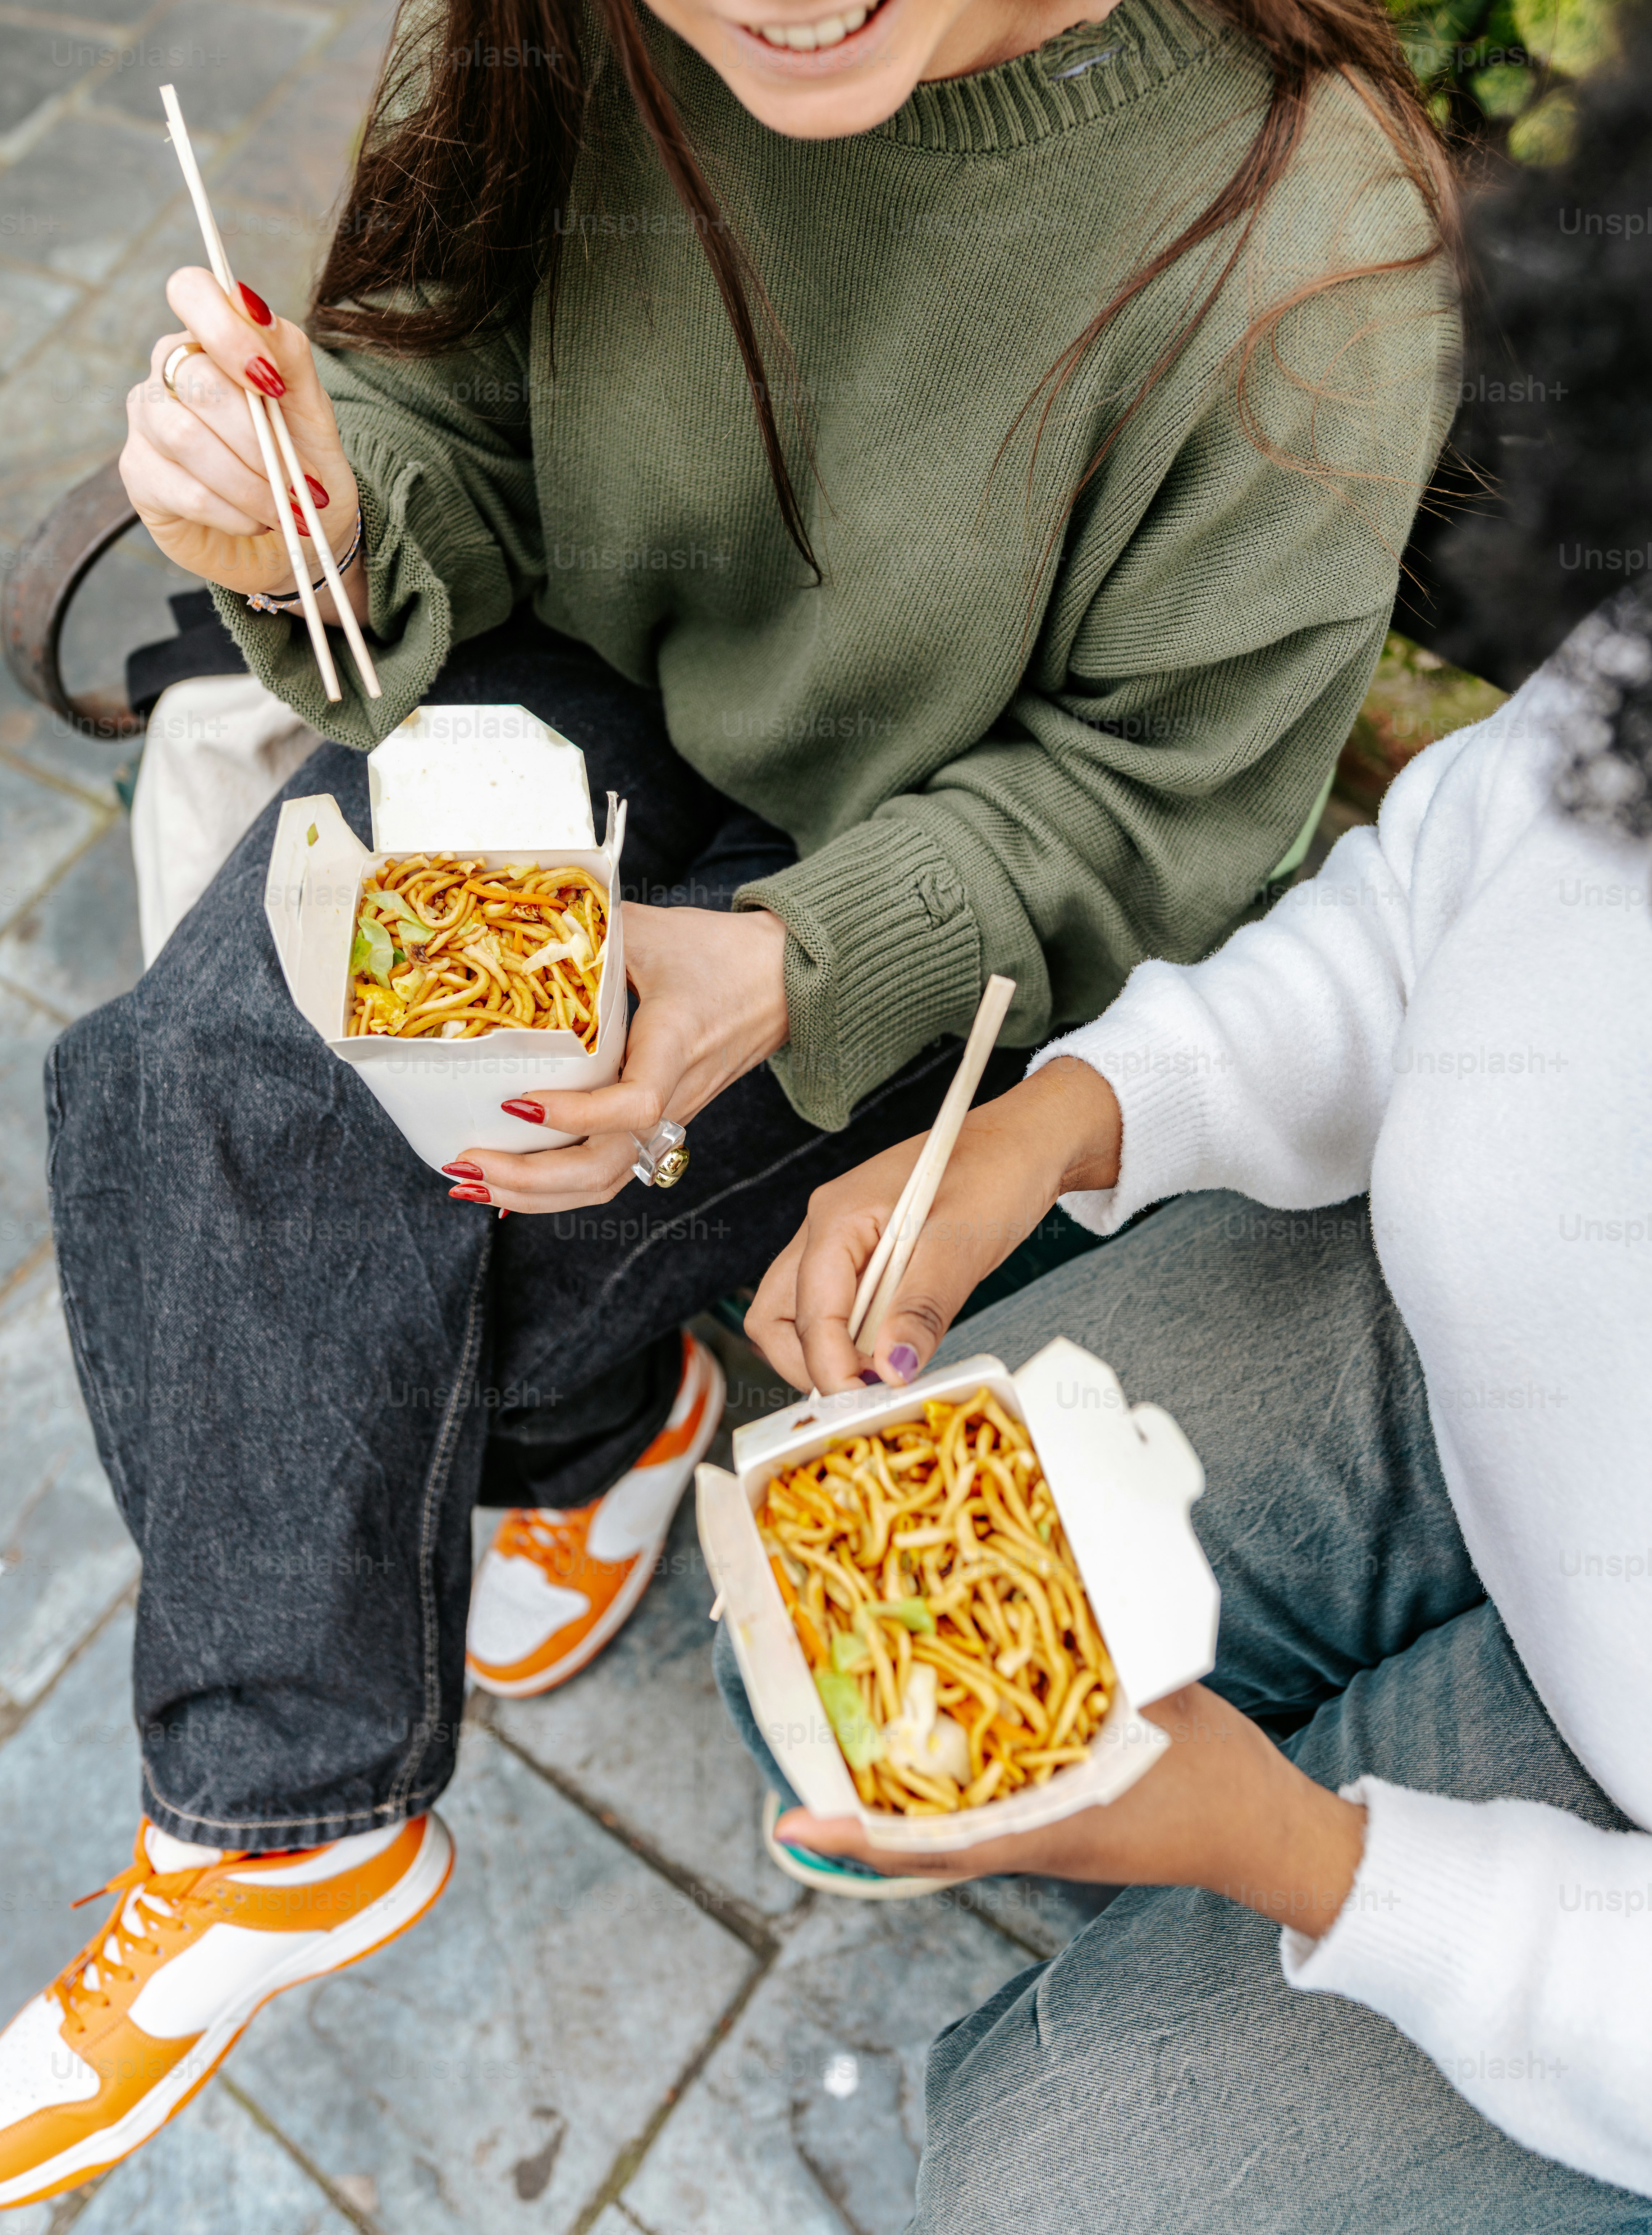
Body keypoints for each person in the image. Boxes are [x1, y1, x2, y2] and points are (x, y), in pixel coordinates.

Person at [0, 0, 1458, 2205]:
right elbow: (453, 416)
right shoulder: (576, 30)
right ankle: (284, 1822)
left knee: (532, 1238)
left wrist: (787, 967)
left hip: (944, 891)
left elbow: (1164, 809)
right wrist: (310, 510)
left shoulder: (1306, 236)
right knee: (212, 1091)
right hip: (585, 702)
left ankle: (600, 1433)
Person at [727, 16, 1652, 2223]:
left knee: (1046, 2179)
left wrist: (1311, 1857)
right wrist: (1069, 1113)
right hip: (1494, 1359)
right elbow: (1446, 898)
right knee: (872, 1633)